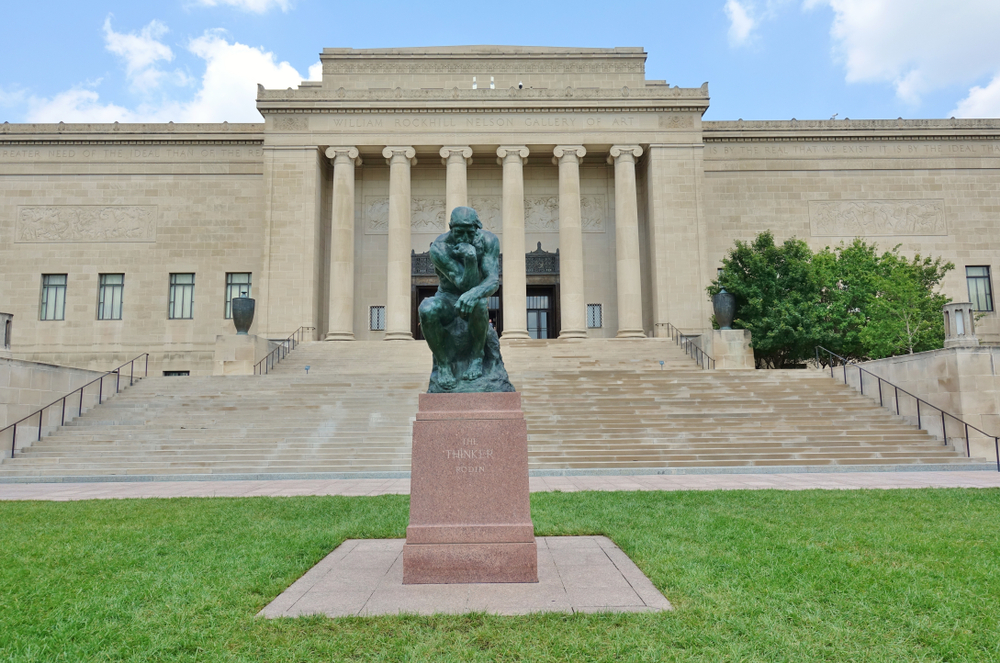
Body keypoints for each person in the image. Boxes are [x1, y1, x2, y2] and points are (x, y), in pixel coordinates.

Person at [418, 206, 512, 392]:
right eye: (458, 232)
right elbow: (462, 284)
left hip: (474, 299)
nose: (463, 237)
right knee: (427, 308)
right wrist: (470, 259)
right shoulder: (439, 247)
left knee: (478, 302)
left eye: (469, 232)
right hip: (447, 300)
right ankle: (444, 366)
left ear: (477, 228)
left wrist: (474, 293)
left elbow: (493, 280)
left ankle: (477, 359)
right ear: (451, 228)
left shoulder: (489, 240)